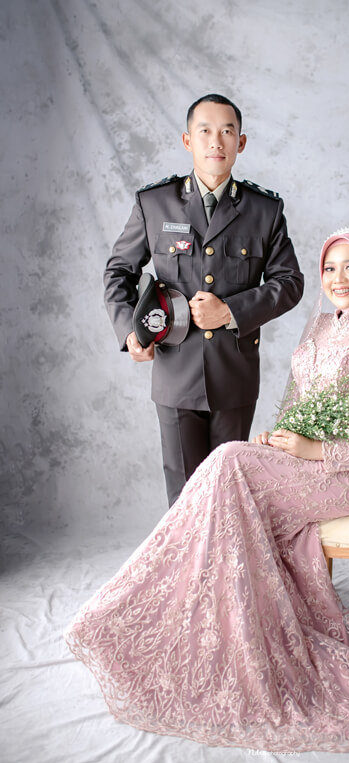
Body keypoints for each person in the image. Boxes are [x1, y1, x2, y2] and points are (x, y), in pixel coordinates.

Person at [66, 227, 349, 753]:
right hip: (305, 459)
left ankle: (150, 605)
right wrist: (280, 437)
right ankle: (206, 626)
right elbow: (296, 404)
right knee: (232, 468)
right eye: (330, 268)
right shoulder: (317, 327)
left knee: (226, 462)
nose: (339, 279)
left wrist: (318, 451)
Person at [104, 93, 304, 506]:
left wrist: (230, 311)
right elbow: (119, 272)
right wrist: (129, 333)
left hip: (234, 377)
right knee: (184, 501)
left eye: (227, 131)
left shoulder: (264, 210)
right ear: (187, 140)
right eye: (205, 131)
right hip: (175, 376)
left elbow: (290, 283)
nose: (216, 141)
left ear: (240, 143)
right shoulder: (154, 203)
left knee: (227, 498)